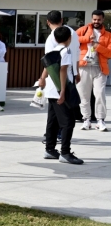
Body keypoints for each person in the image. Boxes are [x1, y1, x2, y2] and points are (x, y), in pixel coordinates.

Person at [37, 27, 83, 165]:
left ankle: (49, 149)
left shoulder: (53, 50)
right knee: (68, 122)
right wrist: (63, 91)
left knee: (53, 121)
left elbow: (46, 66)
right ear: (70, 37)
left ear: (55, 39)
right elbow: (63, 70)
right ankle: (65, 152)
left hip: (51, 90)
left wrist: (42, 78)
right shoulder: (66, 51)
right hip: (60, 90)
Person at [76, 10, 111, 131]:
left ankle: (100, 120)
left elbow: (110, 53)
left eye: (99, 20)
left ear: (103, 20)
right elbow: (72, 39)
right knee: (84, 95)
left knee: (100, 94)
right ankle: (86, 119)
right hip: (83, 67)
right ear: (92, 19)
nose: (96, 22)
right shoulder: (83, 30)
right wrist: (87, 39)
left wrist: (97, 46)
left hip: (100, 68)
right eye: (94, 19)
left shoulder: (108, 35)